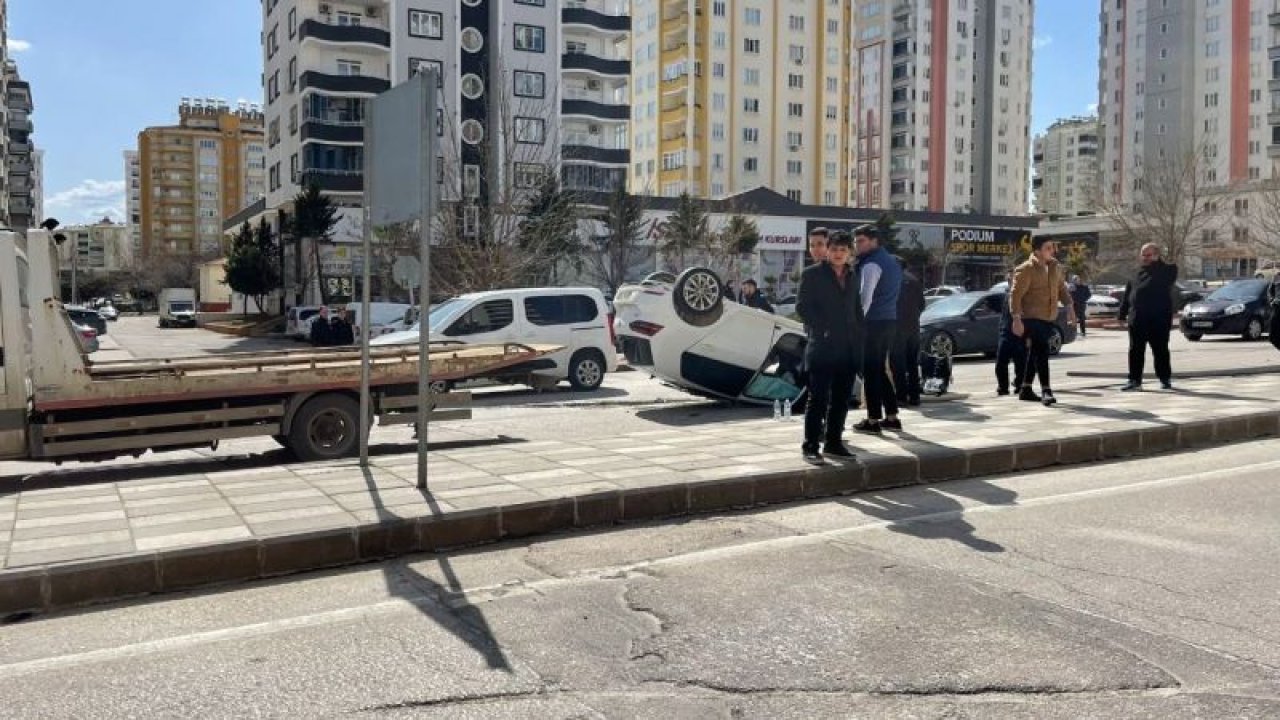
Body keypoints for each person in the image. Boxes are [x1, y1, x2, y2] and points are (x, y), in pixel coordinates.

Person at [795, 231, 863, 463]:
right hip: (823, 346)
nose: (838, 254)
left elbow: (856, 309)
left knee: (841, 399)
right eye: (834, 249)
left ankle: (834, 443)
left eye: (843, 250)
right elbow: (802, 307)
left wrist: (860, 336)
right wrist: (822, 327)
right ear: (827, 251)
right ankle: (811, 446)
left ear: (850, 253)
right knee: (818, 399)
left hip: (848, 348)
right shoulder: (812, 274)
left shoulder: (853, 275)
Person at [1010, 237, 1076, 406]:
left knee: (1035, 352)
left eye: (1052, 247)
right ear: (1037, 251)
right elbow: (1016, 295)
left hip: (1049, 316)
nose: (1052, 251)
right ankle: (1046, 390)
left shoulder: (1055, 267)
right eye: (1048, 248)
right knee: (1042, 351)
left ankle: (1025, 388)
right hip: (1031, 317)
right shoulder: (1026, 269)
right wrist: (1016, 318)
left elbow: (1061, 288)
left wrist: (1070, 307)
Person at [853, 224, 903, 433]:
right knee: (879, 370)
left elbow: (865, 298)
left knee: (870, 371)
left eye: (861, 241)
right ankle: (892, 416)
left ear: (874, 241)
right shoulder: (891, 261)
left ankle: (873, 420)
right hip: (889, 320)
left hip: (873, 322)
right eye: (856, 241)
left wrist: (855, 323)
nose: (857, 245)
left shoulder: (871, 264)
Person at [1116, 243, 1178, 391]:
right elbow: (1128, 294)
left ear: (1157, 255)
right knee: (1135, 350)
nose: (1145, 258)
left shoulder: (1168, 270)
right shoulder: (1136, 273)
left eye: (1148, 255)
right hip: (1137, 318)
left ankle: (1165, 379)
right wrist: (1122, 314)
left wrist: (1156, 262)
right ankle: (1134, 380)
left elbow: (1166, 280)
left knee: (1160, 349)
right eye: (1143, 255)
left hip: (1158, 318)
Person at [891, 257, 924, 407]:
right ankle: (915, 396)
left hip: (896, 328)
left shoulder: (892, 280)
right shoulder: (914, 280)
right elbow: (922, 304)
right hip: (913, 328)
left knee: (898, 364)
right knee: (912, 364)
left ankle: (901, 396)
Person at [994, 271, 1026, 395]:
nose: (1010, 282)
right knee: (1001, 362)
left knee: (1021, 362)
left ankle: (1019, 385)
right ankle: (1003, 387)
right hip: (1006, 332)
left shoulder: (1024, 296)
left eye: (1012, 279)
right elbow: (1004, 315)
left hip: (1020, 333)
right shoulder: (1007, 295)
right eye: (1009, 280)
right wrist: (1001, 328)